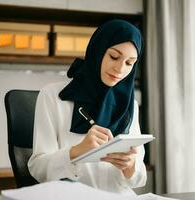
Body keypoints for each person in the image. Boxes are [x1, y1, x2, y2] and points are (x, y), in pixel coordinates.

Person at [28, 19, 147, 194]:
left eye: (129, 63)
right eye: (114, 57)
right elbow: (38, 168)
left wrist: (129, 167)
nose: (120, 69)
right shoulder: (53, 96)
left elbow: (139, 178)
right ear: (97, 51)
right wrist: (77, 152)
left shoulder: (130, 106)